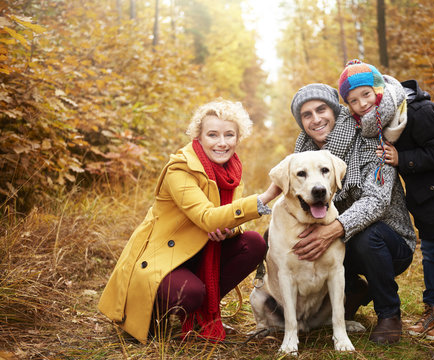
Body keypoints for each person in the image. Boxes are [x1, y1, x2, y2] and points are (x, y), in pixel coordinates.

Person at [98, 100, 281, 344]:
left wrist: (228, 232)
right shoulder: (180, 169)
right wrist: (265, 198)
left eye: (229, 135)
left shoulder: (232, 171)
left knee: (254, 243)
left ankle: (198, 316)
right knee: (191, 293)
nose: (222, 142)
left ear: (238, 138)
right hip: (163, 258)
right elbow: (206, 218)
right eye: (213, 134)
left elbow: (233, 220)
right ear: (199, 136)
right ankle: (151, 314)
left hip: (198, 250)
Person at [338, 59, 434, 341]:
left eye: (366, 95)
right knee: (431, 253)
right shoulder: (378, 123)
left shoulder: (417, 111)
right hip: (426, 198)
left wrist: (402, 159)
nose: (361, 104)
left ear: (379, 90)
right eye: (352, 100)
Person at [290, 83, 417, 344]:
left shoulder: (370, 141)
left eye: (321, 109)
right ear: (301, 122)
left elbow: (376, 201)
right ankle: (353, 290)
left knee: (367, 236)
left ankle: (389, 315)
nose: (316, 119)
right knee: (297, 233)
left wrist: (333, 229)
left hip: (389, 242)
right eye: (307, 115)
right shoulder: (302, 156)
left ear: (335, 110)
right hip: (342, 242)